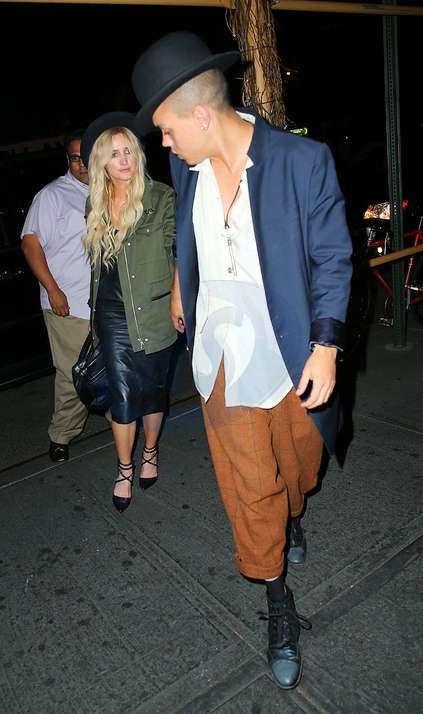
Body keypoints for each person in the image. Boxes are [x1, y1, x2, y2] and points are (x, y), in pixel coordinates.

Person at [131, 32, 353, 690]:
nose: (163, 144)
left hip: (290, 349)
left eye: (167, 129)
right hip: (222, 353)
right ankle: (277, 596)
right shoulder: (187, 166)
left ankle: (290, 515)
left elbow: (334, 257)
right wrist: (182, 284)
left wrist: (326, 347)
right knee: (250, 486)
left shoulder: (302, 162)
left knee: (299, 465)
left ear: (200, 115)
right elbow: (186, 231)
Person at [81, 112, 177, 513]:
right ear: (101, 162)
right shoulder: (95, 202)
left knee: (151, 394)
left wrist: (178, 298)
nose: (123, 160)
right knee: (122, 395)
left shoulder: (162, 197)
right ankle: (124, 468)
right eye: (114, 154)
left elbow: (179, 254)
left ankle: (150, 451)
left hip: (151, 312)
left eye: (128, 151)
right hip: (111, 314)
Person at [21, 129, 90, 463]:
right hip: (69, 304)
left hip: (106, 301)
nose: (82, 163)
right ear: (68, 160)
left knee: (113, 365)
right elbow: (30, 244)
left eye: (87, 156)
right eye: (75, 157)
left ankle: (121, 419)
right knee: (73, 373)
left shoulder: (109, 190)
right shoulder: (52, 196)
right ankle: (61, 435)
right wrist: (53, 290)